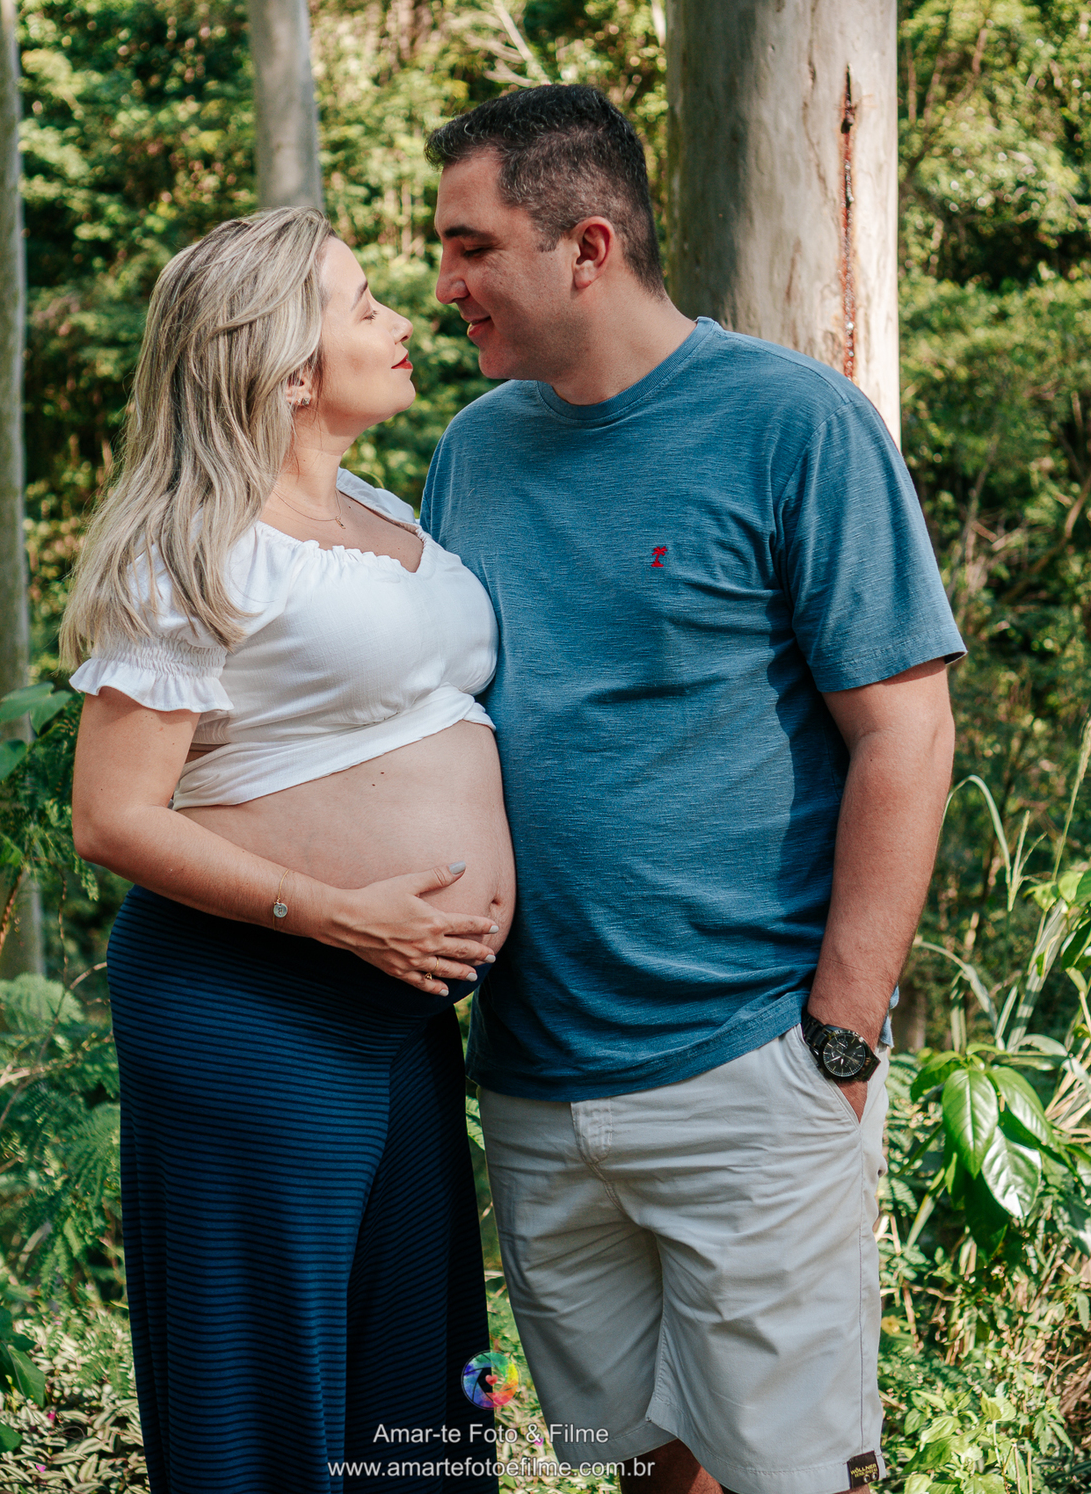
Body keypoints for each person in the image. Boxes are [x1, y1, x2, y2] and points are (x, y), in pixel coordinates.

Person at [418, 86, 964, 1494]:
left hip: (747, 1058)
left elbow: (906, 732)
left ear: (586, 246)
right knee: (647, 1470)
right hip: (537, 1084)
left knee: (792, 1473)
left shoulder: (794, 426)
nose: (444, 284)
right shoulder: (472, 452)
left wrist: (838, 1040)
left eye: (471, 246)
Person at [62, 207, 512, 1494]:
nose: (400, 319)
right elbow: (114, 817)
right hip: (254, 1008)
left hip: (400, 1006)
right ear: (282, 360)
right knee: (266, 1391)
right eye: (363, 302)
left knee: (419, 1393)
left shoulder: (376, 504)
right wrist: (333, 912)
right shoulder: (188, 551)